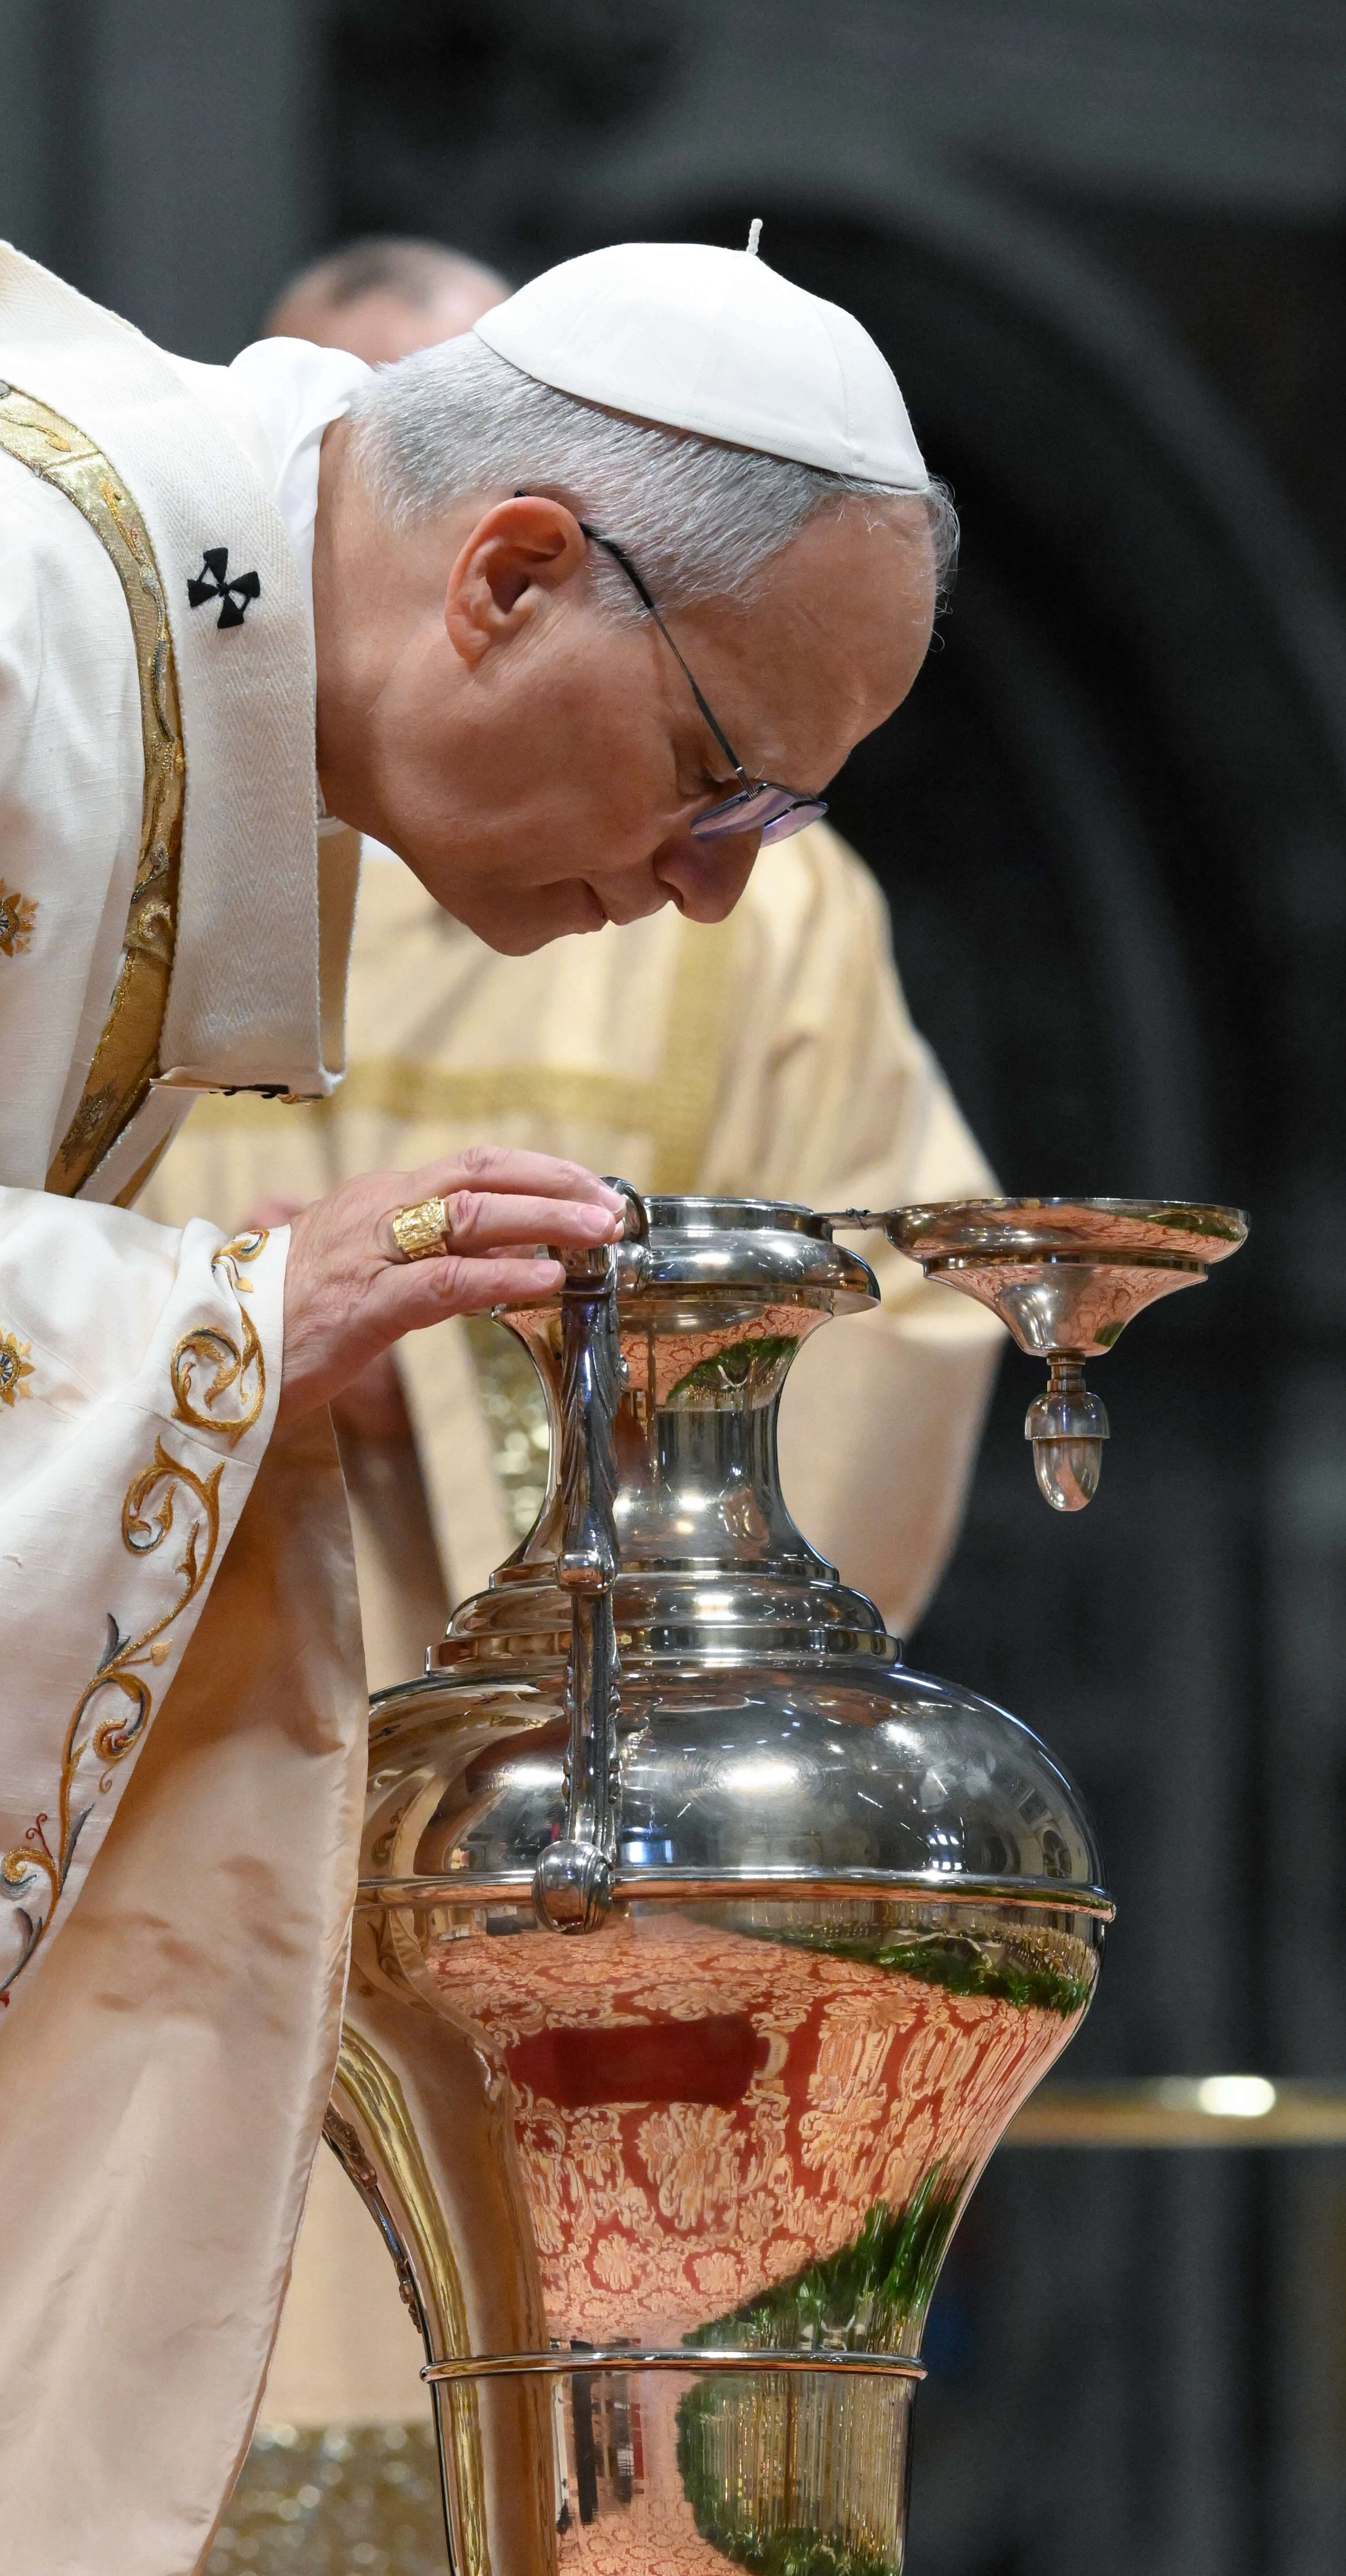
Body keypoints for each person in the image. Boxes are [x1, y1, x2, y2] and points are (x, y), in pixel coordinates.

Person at [0, 225, 953, 2565]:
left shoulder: (116, 630)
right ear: (512, 574)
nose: (715, 896)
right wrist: (211, 1328)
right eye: (714, 782)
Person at [156, 239, 1002, 2437]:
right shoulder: (114, 794)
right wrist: (202, 1342)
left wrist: (501, 1430)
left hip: (535, 1896)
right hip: (117, 1823)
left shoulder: (755, 904)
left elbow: (898, 1313)